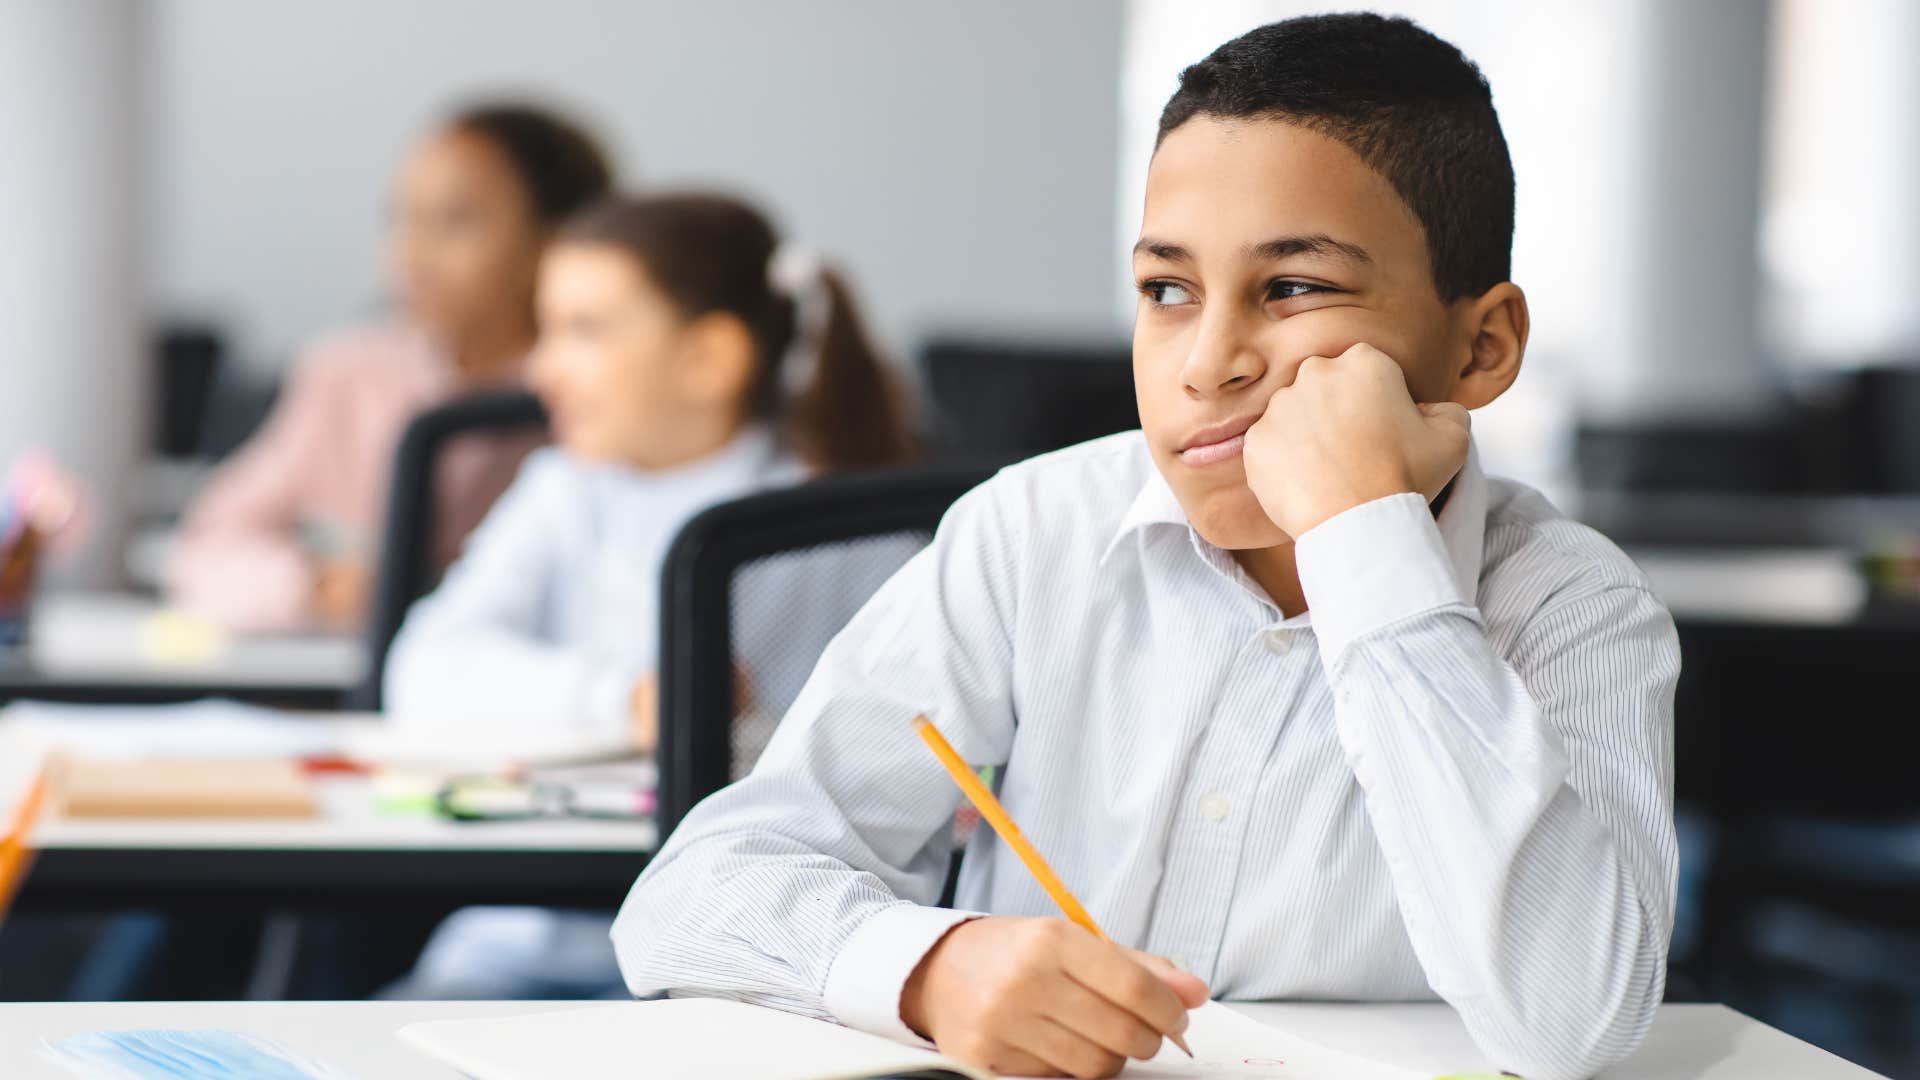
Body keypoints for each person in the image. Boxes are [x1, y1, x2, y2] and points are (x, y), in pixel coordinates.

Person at [611, 15, 1680, 1080]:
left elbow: (1572, 1020)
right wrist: (932, 968)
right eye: (1167, 290)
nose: (1207, 363)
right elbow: (694, 893)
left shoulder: (1573, 606)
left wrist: (1367, 543)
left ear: (1481, 345)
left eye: (1295, 288)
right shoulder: (1032, 534)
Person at [382, 191, 916, 997]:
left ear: (708, 359)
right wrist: (629, 703)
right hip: (524, 943)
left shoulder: (850, 528)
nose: (541, 366)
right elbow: (423, 671)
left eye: (584, 331)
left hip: (740, 967)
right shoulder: (563, 490)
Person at [165, 103, 612, 632]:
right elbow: (203, 549)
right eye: (402, 218)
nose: (414, 251)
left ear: (556, 239)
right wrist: (313, 586)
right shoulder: (348, 375)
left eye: (456, 220)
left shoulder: (600, 388)